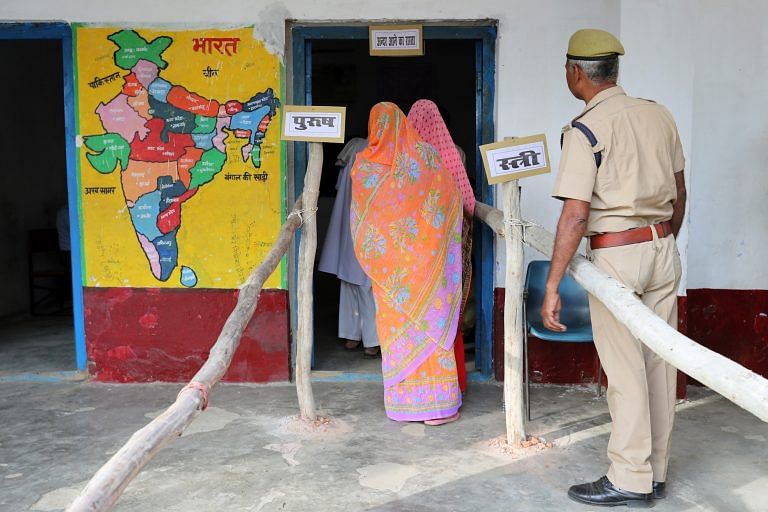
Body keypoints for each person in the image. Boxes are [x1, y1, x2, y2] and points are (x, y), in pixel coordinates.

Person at [543, 29, 687, 507]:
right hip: (662, 246)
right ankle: (656, 471)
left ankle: (629, 477)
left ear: (575, 72)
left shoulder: (585, 128)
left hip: (617, 255)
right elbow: (680, 190)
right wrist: (662, 241)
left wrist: (552, 283)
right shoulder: (658, 115)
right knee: (659, 365)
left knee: (625, 372)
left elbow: (576, 213)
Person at [350, 102, 463, 425]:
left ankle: (406, 405)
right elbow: (450, 196)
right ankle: (438, 408)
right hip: (426, 267)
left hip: (390, 276)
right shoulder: (426, 157)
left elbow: (362, 220)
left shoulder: (365, 166)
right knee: (432, 327)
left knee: (396, 331)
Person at [407, 99, 476, 394]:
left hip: (411, 252)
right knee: (446, 315)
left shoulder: (404, 157)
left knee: (417, 318)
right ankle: (454, 383)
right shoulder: (451, 153)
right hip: (447, 250)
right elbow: (468, 203)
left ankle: (420, 390)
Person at [318, 138, 381, 357]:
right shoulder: (382, 150)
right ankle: (372, 341)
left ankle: (351, 336)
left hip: (349, 219)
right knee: (367, 283)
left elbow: (338, 185)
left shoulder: (354, 146)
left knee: (349, 279)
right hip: (371, 222)